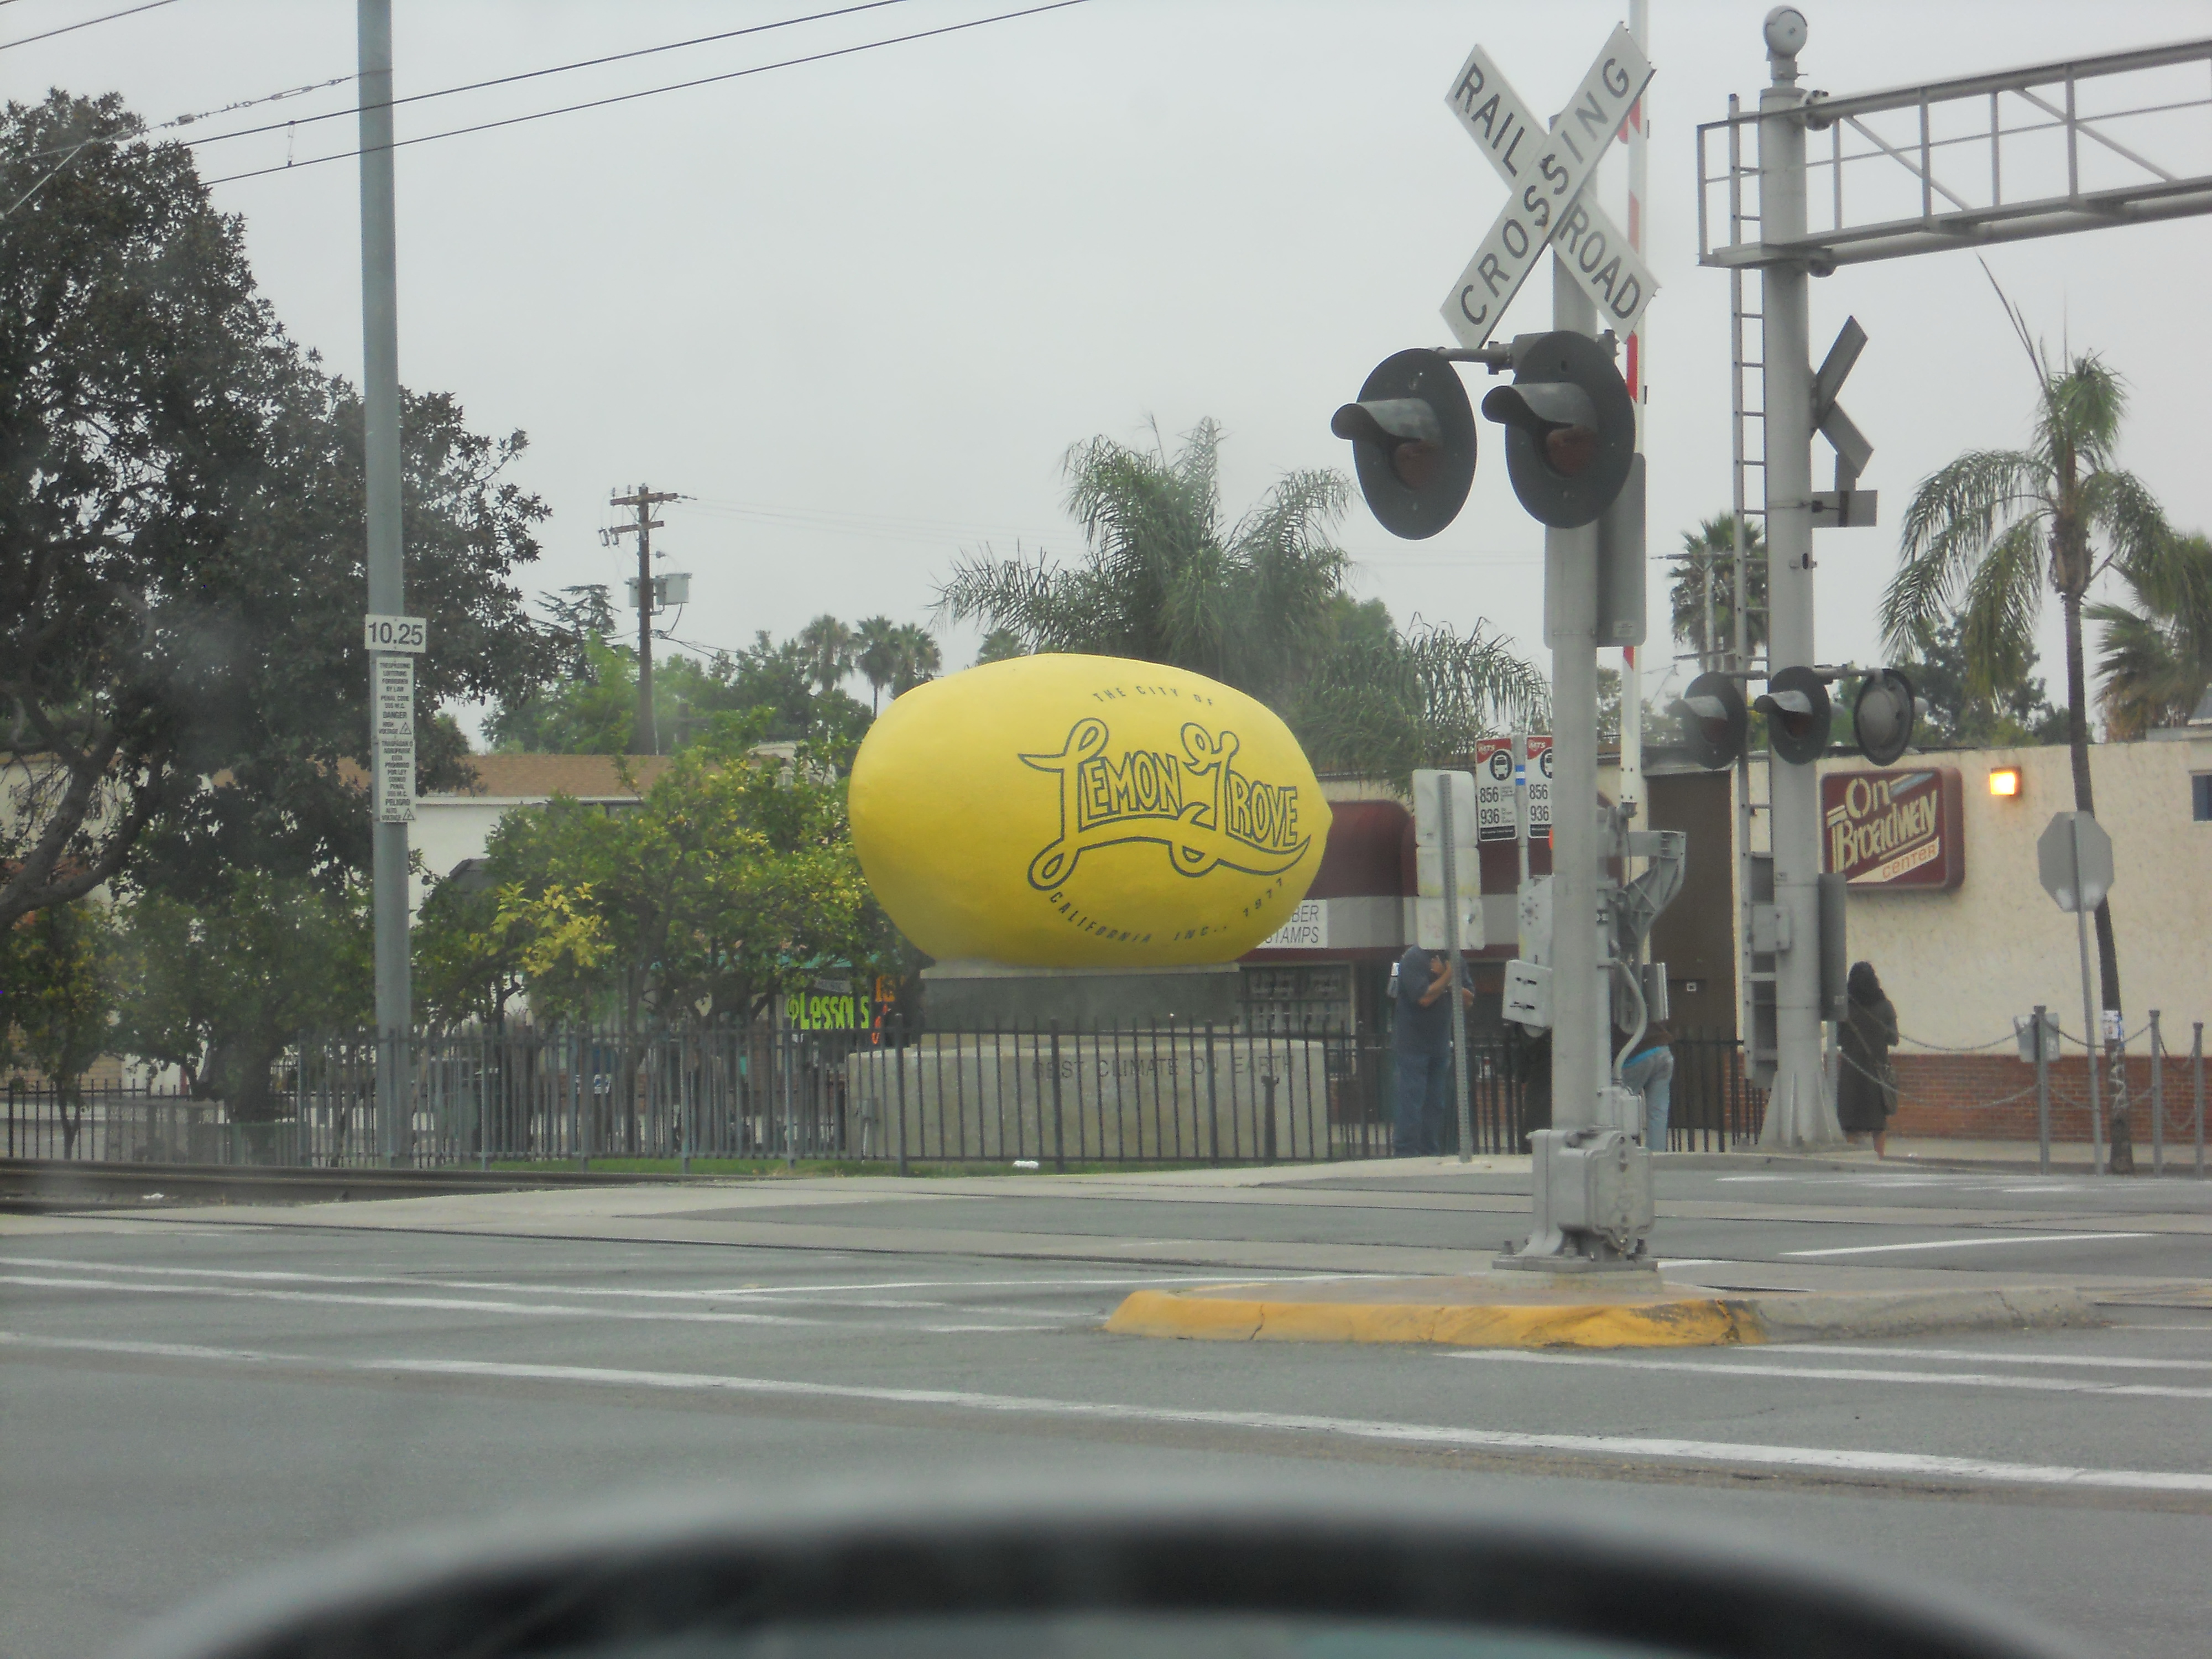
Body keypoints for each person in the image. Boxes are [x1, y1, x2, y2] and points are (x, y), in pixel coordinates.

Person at [1391, 943, 1470, 1156]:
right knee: (1411, 1099)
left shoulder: (1455, 960)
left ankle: (1429, 1150)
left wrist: (1446, 976)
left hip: (1440, 1043)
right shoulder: (1413, 958)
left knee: (1436, 1102)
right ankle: (1406, 1151)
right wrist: (1450, 977)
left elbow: (1468, 999)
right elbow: (1424, 998)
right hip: (1412, 1043)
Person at [1837, 959, 1901, 1156]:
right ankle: (1879, 1156)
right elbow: (1894, 1039)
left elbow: (1839, 1038)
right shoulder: (1885, 1006)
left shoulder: (1845, 1008)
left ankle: (1851, 1156)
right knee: (1878, 1122)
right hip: (1876, 1071)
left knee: (1850, 1122)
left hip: (1851, 1071)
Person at [1619, 1022, 1676, 1149]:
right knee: (1658, 1113)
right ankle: (1657, 1159)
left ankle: (1626, 1153)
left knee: (1619, 1109)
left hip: (1634, 1054)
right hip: (1662, 1049)